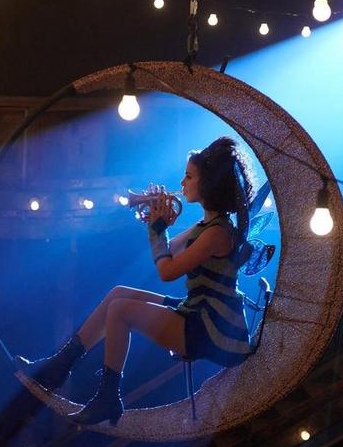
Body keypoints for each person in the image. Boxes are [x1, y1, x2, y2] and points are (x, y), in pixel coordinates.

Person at [16, 136, 256, 426]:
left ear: (210, 184)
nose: (182, 183)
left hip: (214, 330)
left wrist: (157, 230)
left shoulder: (217, 233)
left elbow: (167, 272)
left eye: (189, 176)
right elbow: (167, 249)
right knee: (118, 294)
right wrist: (158, 223)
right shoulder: (208, 226)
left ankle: (108, 396)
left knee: (122, 311)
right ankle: (59, 366)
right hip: (199, 311)